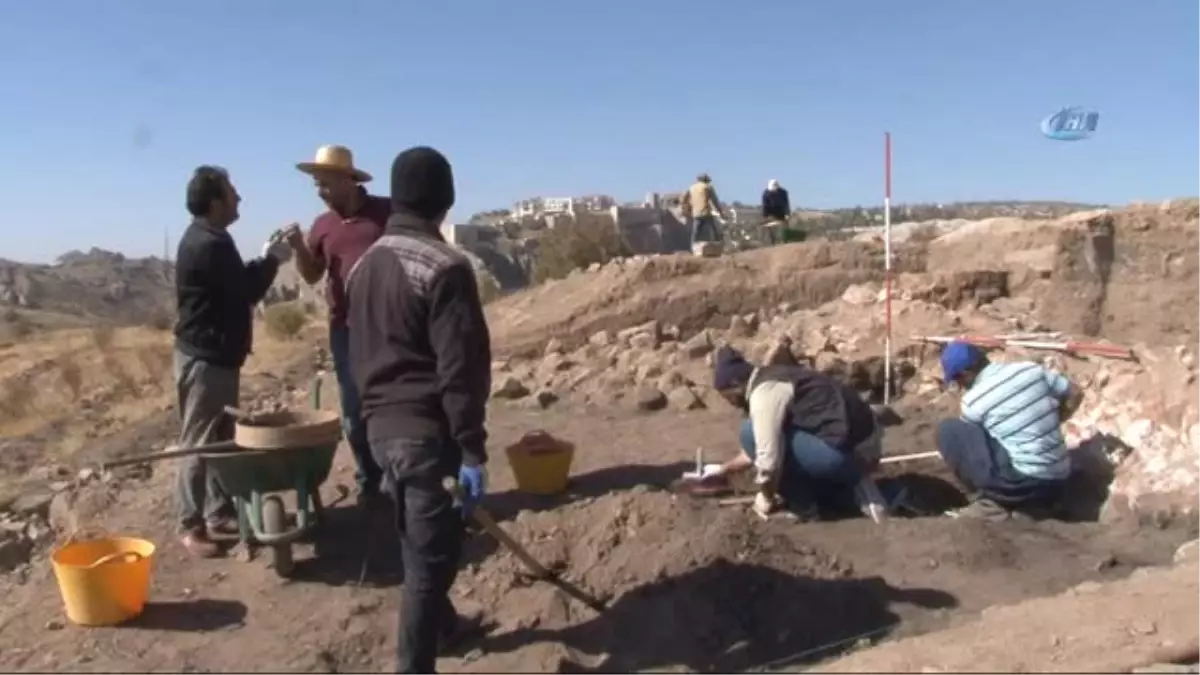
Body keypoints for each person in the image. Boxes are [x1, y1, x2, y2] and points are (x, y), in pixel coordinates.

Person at [346, 146, 491, 673]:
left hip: (379, 433)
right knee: (429, 566)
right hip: (424, 436)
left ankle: (448, 628)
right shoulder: (445, 267)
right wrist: (472, 448)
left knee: (419, 537)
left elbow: (357, 353)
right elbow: (461, 371)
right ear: (446, 200)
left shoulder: (363, 267)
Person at [173, 166, 292, 558]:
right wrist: (274, 259)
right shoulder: (209, 244)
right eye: (232, 193)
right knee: (199, 442)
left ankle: (217, 512)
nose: (238, 199)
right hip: (206, 361)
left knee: (221, 438)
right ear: (215, 202)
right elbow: (247, 290)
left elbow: (235, 283)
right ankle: (190, 524)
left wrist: (264, 257)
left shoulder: (212, 239)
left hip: (216, 357)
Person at [288, 144, 391, 506]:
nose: (320, 192)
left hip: (388, 326)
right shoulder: (322, 226)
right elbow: (314, 273)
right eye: (316, 185)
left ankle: (400, 475)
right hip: (344, 329)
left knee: (392, 402)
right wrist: (300, 249)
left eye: (326, 184)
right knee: (353, 411)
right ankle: (369, 479)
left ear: (348, 180)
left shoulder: (386, 212)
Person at [701, 346, 889, 522]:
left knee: (749, 432)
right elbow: (758, 449)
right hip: (863, 445)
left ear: (735, 384)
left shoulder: (764, 394)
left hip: (851, 455)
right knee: (761, 436)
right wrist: (723, 469)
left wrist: (765, 499)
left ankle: (804, 507)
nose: (730, 403)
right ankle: (844, 491)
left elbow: (768, 460)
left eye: (727, 396)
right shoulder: (777, 376)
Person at [937, 341, 1084, 521]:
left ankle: (992, 504)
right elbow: (1075, 393)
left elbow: (977, 448)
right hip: (1060, 477)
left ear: (966, 374)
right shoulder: (1029, 370)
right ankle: (1038, 507)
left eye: (958, 380)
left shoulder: (974, 401)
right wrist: (1054, 420)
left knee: (949, 430)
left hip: (1025, 484)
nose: (961, 386)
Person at [682, 173, 727, 245]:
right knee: (714, 228)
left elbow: (684, 199)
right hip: (705, 212)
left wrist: (687, 208)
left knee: (695, 231)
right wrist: (721, 213)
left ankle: (693, 246)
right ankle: (719, 243)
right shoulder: (708, 187)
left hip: (696, 212)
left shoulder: (692, 188)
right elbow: (715, 201)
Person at [760, 179, 791, 245]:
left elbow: (786, 204)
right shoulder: (765, 194)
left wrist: (787, 213)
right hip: (771, 212)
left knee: (784, 226)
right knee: (770, 228)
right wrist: (765, 216)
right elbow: (765, 206)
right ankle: (772, 242)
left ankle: (785, 241)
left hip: (781, 211)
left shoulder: (783, 193)